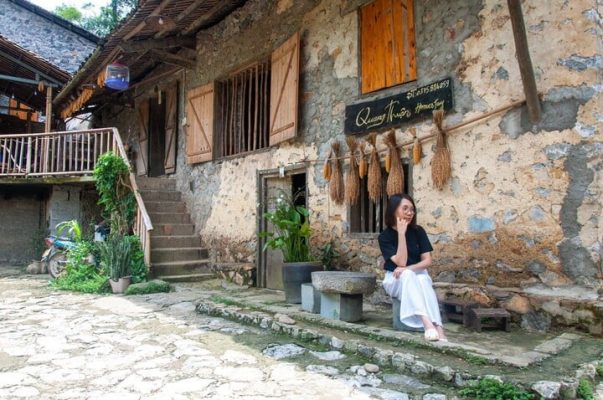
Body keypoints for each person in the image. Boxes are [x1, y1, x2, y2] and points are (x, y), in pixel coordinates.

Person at [378, 193, 447, 342]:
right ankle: (428, 324)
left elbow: (427, 261)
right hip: (394, 279)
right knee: (408, 276)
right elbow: (400, 263)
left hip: (417, 274)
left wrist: (409, 269)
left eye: (412, 209)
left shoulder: (418, 231)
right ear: (394, 210)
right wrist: (401, 234)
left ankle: (439, 328)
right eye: (405, 208)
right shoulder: (385, 236)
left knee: (421, 279)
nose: (410, 213)